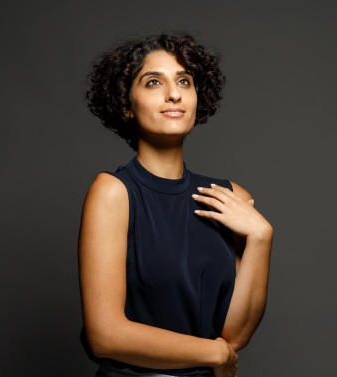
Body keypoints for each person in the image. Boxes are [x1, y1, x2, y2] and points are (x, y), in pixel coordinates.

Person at [77, 32, 273, 377]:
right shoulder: (113, 192)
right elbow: (105, 337)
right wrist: (213, 353)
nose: (174, 93)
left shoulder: (231, 198)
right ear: (126, 104)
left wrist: (261, 237)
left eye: (185, 81)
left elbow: (235, 336)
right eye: (153, 82)